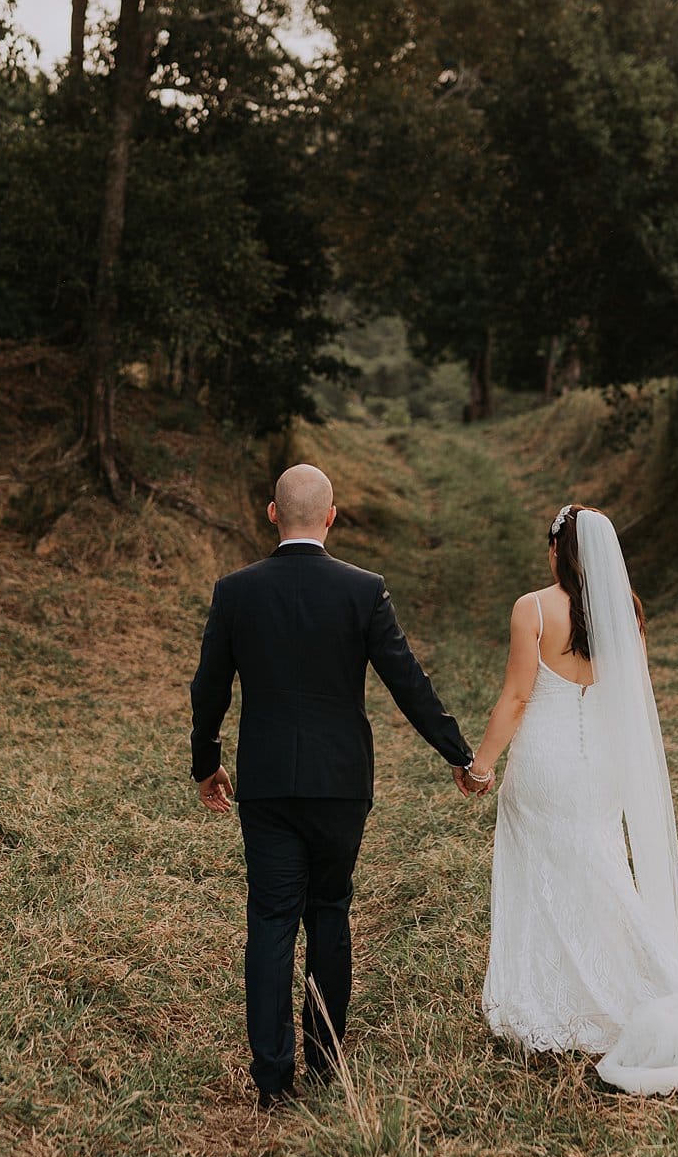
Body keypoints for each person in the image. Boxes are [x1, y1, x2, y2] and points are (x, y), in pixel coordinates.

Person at [466, 502, 678, 1126]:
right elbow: (629, 702)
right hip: (600, 769)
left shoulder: (533, 608)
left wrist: (481, 766)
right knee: (600, 874)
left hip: (543, 765)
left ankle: (548, 1000)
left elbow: (518, 697)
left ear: (555, 552)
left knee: (542, 874)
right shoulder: (625, 611)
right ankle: (610, 988)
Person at [189, 463, 482, 1109]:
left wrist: (206, 760)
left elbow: (209, 685)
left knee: (270, 920)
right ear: (331, 516)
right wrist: (457, 753)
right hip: (341, 783)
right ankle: (324, 1060)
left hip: (265, 783)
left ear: (272, 514)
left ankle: (272, 1080)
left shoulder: (236, 591)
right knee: (330, 911)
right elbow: (408, 681)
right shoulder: (363, 591)